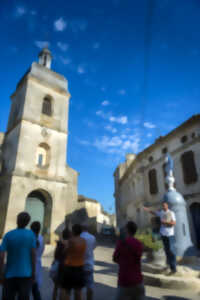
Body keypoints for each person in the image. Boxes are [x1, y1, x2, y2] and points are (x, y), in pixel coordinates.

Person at [0, 212, 36, 300]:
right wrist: (33, 272)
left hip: (9, 274)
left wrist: (1, 272)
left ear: (17, 220)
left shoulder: (8, 235)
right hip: (25, 274)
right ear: (27, 222)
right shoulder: (31, 235)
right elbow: (33, 254)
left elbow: (1, 256)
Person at [113, 221, 145, 300]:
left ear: (127, 230)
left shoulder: (121, 243)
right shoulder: (139, 243)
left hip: (124, 281)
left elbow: (115, 259)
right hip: (138, 281)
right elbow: (138, 257)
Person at [144, 201, 177, 275]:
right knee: (166, 251)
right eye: (163, 205)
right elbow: (154, 213)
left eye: (165, 205)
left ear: (167, 206)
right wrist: (147, 209)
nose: (164, 207)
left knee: (171, 251)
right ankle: (169, 266)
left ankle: (173, 268)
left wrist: (165, 222)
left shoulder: (171, 213)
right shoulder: (161, 212)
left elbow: (174, 223)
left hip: (170, 234)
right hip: (163, 234)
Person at [59, 224, 86, 300]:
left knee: (67, 290)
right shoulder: (83, 241)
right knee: (78, 291)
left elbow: (65, 252)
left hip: (70, 267)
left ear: (73, 231)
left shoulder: (71, 241)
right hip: (80, 266)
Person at [51, 227, 71, 300]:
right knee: (65, 289)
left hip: (59, 266)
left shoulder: (59, 243)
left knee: (56, 287)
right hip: (66, 268)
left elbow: (55, 255)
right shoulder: (70, 244)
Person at [80, 224, 96, 300]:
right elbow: (93, 247)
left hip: (79, 264)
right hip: (89, 264)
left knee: (79, 287)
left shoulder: (79, 237)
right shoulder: (92, 237)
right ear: (87, 229)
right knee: (90, 286)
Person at [31, 221, 45, 300]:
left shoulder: (29, 237)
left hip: (29, 264)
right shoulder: (41, 238)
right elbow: (42, 250)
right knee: (35, 289)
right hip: (37, 264)